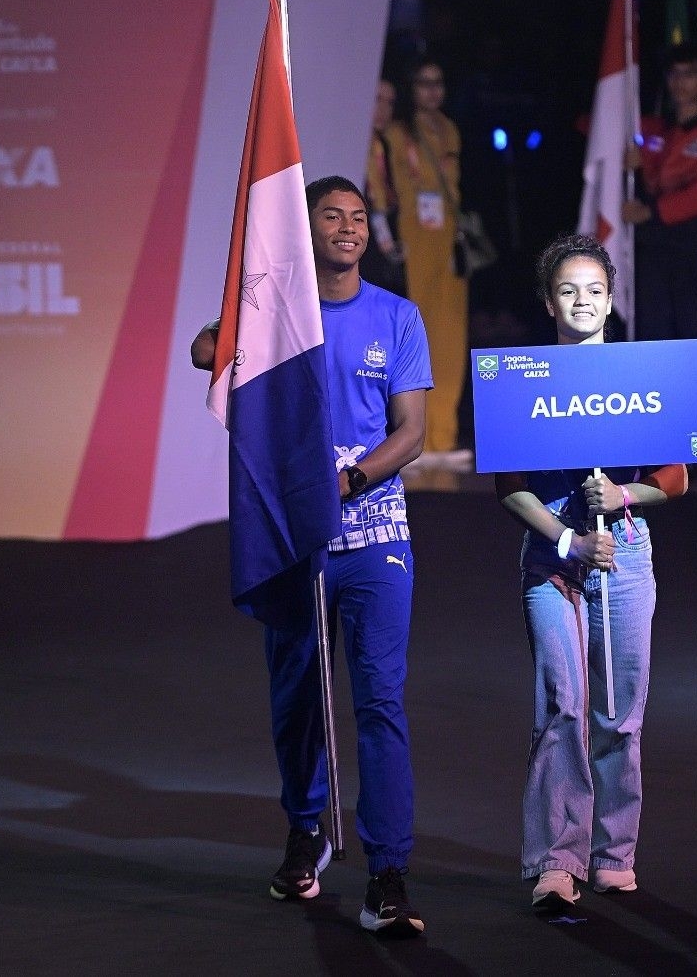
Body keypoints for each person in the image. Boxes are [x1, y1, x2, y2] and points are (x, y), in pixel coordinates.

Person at [191, 176, 432, 938]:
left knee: (379, 700)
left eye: (359, 217)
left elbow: (413, 433)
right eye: (331, 216)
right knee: (297, 698)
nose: (349, 227)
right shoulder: (280, 313)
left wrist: (351, 479)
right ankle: (307, 834)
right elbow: (205, 348)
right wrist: (250, 309)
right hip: (294, 543)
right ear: (307, 230)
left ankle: (388, 871)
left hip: (376, 541)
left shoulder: (397, 316)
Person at [494, 233, 689, 912]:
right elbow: (510, 487)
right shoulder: (523, 379)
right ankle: (557, 860)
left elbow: (677, 473)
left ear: (612, 300)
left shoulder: (640, 375)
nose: (583, 301)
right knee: (563, 706)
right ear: (550, 301)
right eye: (569, 290)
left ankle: (613, 853)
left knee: (619, 714)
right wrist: (570, 539)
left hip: (625, 552)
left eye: (596, 290)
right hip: (554, 559)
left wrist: (627, 496)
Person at [382, 59, 470, 469]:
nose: (431, 91)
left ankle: (443, 435)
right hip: (414, 241)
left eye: (438, 83)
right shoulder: (397, 135)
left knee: (450, 335)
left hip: (446, 243)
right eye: (423, 83)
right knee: (414, 334)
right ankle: (414, 437)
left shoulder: (450, 129)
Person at [622, 43, 697, 342]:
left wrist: (652, 212)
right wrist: (629, 164)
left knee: (692, 337)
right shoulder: (651, 130)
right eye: (674, 73)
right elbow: (595, 125)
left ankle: (696, 390)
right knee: (652, 333)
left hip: (693, 250)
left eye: (690, 74)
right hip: (652, 247)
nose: (680, 81)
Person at [360, 77, 405, 297]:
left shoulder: (383, 144)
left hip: (379, 229)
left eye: (390, 103)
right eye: (378, 99)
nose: (383, 109)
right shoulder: (353, 142)